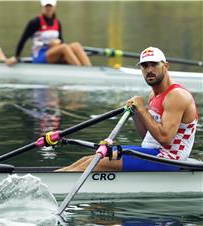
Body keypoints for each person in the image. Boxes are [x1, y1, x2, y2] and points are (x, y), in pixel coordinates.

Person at [59, 47, 198, 171]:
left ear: (166, 66)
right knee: (93, 157)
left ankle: (56, 185)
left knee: (97, 163)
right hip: (153, 152)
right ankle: (56, 176)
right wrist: (136, 113)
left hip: (169, 159)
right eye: (144, 66)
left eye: (154, 64)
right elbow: (147, 136)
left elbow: (165, 138)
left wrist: (142, 110)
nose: (149, 70)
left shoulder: (176, 96)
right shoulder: (153, 95)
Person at [6, 0, 91, 66]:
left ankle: (89, 70)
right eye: (46, 5)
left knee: (76, 45)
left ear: (54, 6)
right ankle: (80, 71)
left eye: (50, 6)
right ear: (42, 6)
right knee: (64, 47)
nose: (48, 8)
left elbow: (61, 41)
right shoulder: (35, 22)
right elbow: (23, 39)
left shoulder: (57, 23)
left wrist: (58, 43)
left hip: (55, 52)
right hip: (40, 54)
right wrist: (16, 57)